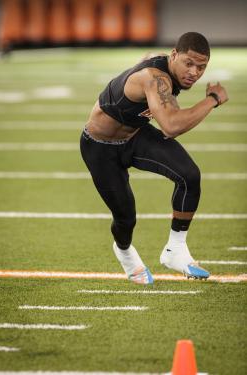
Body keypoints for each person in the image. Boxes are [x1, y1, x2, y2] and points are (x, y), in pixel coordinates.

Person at [80, 32, 228, 284]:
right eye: (189, 63)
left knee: (189, 175)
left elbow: (158, 84)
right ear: (173, 55)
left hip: (135, 136)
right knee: (126, 217)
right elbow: (170, 126)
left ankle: (175, 250)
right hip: (100, 148)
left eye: (201, 67)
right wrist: (212, 100)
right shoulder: (155, 78)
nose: (194, 72)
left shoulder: (165, 72)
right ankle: (125, 253)